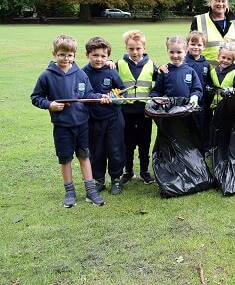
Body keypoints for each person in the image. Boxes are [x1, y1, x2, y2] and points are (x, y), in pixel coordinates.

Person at [31, 35, 110, 208]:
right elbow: (36, 97)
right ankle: (70, 192)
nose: (66, 58)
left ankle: (91, 191)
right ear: (54, 54)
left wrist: (100, 97)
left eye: (69, 55)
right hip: (62, 126)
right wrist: (50, 104)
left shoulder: (80, 74)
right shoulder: (46, 76)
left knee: (84, 156)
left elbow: (88, 94)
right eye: (62, 55)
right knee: (65, 159)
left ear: (74, 55)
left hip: (82, 124)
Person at [82, 37, 126, 195]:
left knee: (115, 149)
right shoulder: (82, 73)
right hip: (93, 119)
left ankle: (116, 179)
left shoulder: (111, 71)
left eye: (103, 56)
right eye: (95, 55)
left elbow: (122, 90)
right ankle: (99, 180)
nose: (99, 59)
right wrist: (99, 96)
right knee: (97, 151)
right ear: (87, 54)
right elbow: (82, 94)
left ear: (107, 57)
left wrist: (115, 97)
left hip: (114, 118)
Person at [116, 30, 157, 186]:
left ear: (144, 48)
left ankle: (145, 172)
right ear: (126, 48)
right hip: (125, 112)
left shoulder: (151, 64)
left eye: (138, 48)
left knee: (144, 143)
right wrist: (108, 63)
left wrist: (165, 69)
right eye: (131, 48)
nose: (135, 52)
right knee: (127, 143)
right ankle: (128, 171)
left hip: (144, 112)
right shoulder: (118, 64)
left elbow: (161, 81)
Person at [190, 0, 235, 65]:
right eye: (217, 1)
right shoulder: (198, 20)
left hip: (230, 74)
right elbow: (191, 49)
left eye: (223, 1)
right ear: (210, 2)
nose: (221, 4)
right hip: (206, 73)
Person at [150, 36, 203, 106]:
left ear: (185, 52)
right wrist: (153, 98)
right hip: (169, 111)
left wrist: (195, 96)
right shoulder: (164, 71)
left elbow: (197, 89)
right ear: (167, 51)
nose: (175, 55)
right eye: (172, 52)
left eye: (179, 52)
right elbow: (157, 91)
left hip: (186, 110)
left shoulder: (190, 71)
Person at [207, 43, 235, 110]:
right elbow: (210, 87)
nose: (225, 60)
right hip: (214, 106)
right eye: (223, 57)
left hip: (228, 107)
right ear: (218, 56)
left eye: (229, 59)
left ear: (233, 60)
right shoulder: (213, 71)